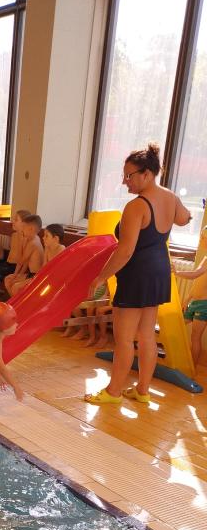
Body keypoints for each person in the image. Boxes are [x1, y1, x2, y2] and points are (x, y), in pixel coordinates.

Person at [85, 142, 191, 405]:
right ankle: (142, 391)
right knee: (146, 335)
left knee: (123, 339)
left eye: (129, 176)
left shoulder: (136, 207)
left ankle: (113, 392)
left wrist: (101, 277)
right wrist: (182, 212)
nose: (125, 181)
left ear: (147, 174)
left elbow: (125, 251)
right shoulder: (170, 197)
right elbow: (184, 218)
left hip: (137, 274)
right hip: (158, 271)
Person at [175, 229, 207, 365]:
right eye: (201, 237)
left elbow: (194, 275)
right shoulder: (205, 258)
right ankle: (179, 358)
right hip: (194, 302)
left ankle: (192, 368)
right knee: (178, 325)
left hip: (204, 305)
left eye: (203, 237)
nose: (201, 240)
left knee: (195, 337)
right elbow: (197, 282)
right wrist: (187, 300)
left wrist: (176, 272)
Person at [3, 214, 45, 298]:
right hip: (31, 274)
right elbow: (26, 262)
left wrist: (15, 275)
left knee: (15, 286)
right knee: (8, 279)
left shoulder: (33, 243)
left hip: (36, 276)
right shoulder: (35, 238)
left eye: (24, 228)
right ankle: (15, 303)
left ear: (31, 229)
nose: (22, 230)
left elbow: (21, 261)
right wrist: (18, 275)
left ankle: (17, 304)